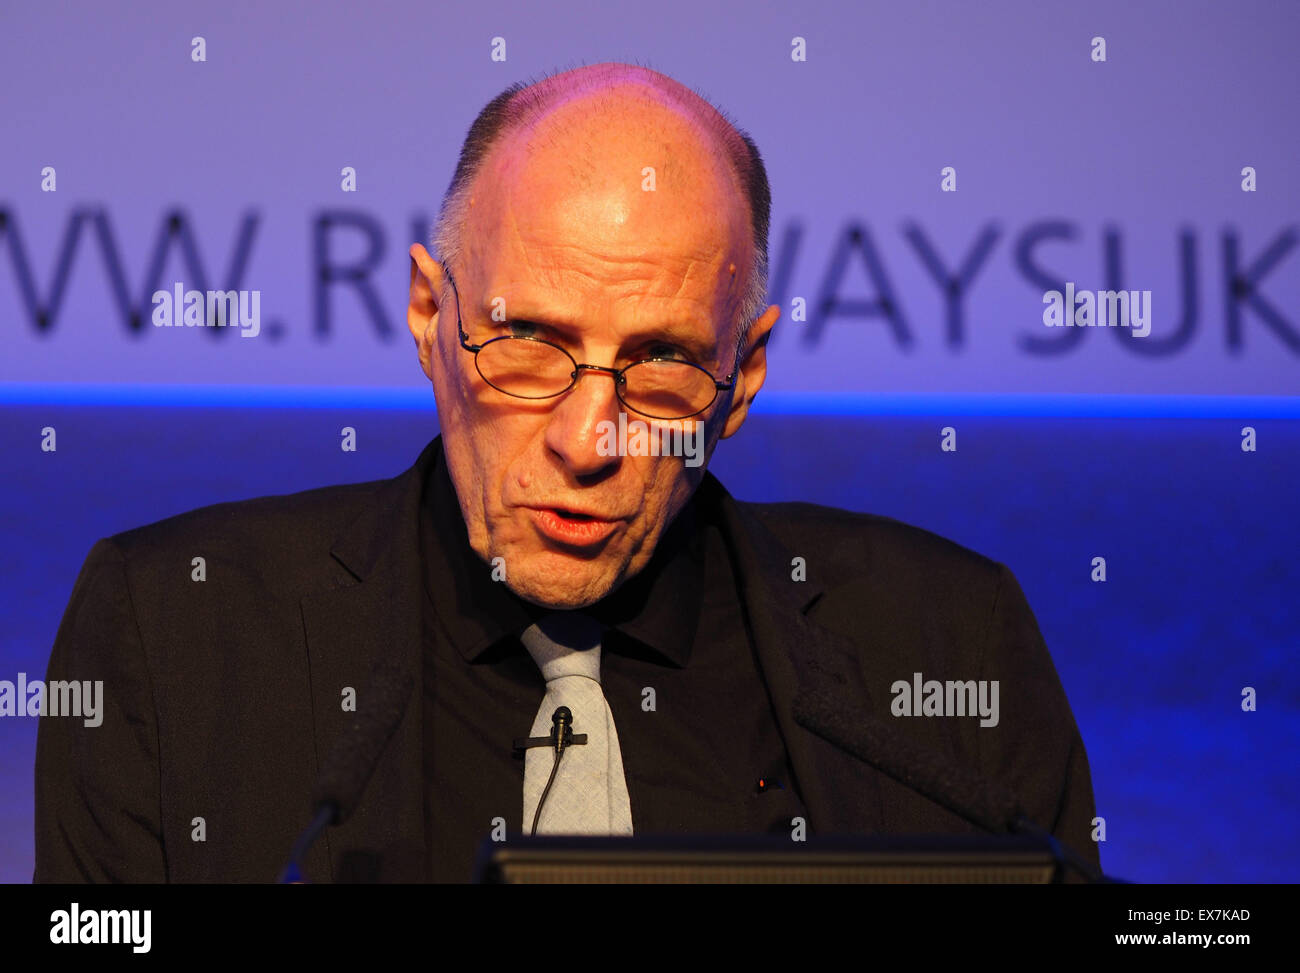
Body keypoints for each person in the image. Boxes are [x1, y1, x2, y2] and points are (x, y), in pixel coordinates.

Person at [35, 62, 1099, 883]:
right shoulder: (175, 632)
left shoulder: (953, 641)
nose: (591, 441)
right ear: (427, 315)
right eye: (530, 344)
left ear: (747, 373)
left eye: (664, 363)